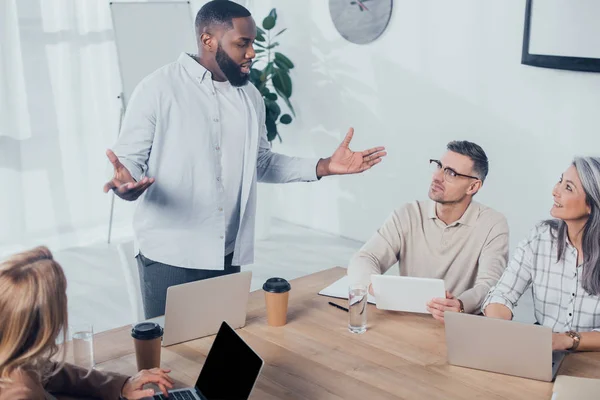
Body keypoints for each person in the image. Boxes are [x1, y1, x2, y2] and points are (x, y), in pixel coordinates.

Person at [103, 0, 386, 319]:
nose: (252, 52)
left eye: (253, 43)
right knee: (173, 359)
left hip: (227, 255)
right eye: (243, 43)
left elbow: (260, 163)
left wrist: (324, 166)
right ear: (208, 40)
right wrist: (125, 185)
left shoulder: (250, 97)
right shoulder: (158, 89)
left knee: (223, 344)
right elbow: (128, 165)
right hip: (171, 257)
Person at [347, 141, 509, 322]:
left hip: (456, 326)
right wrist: (375, 287)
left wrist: (461, 305)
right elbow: (364, 258)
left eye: (451, 173)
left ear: (472, 187)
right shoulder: (407, 214)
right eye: (439, 166)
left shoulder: (493, 224)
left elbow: (491, 285)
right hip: (406, 321)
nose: (437, 177)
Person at [0, 246, 173, 399]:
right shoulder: (20, 394)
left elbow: (51, 372)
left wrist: (122, 384)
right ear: (45, 322)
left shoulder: (16, 356)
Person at [483, 157, 600, 351]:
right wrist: (499, 324)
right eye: (560, 181)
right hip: (545, 354)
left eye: (568, 188)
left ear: (591, 204)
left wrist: (568, 339)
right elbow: (502, 293)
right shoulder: (540, 238)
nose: (555, 191)